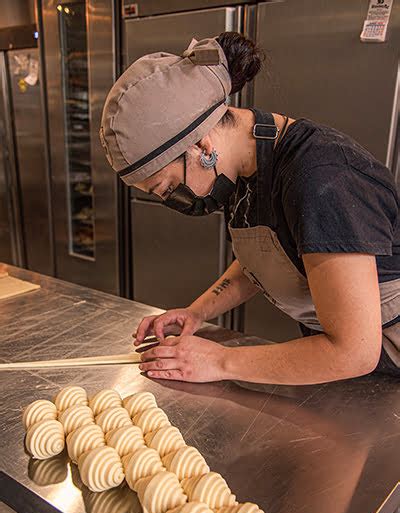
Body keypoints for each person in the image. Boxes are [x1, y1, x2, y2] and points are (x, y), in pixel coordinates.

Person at [100, 32, 399, 385]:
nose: (171, 201)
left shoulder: (322, 181)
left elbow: (354, 351)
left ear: (201, 145)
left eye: (166, 187)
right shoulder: (247, 166)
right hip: (350, 371)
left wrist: (220, 362)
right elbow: (267, 261)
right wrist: (197, 313)